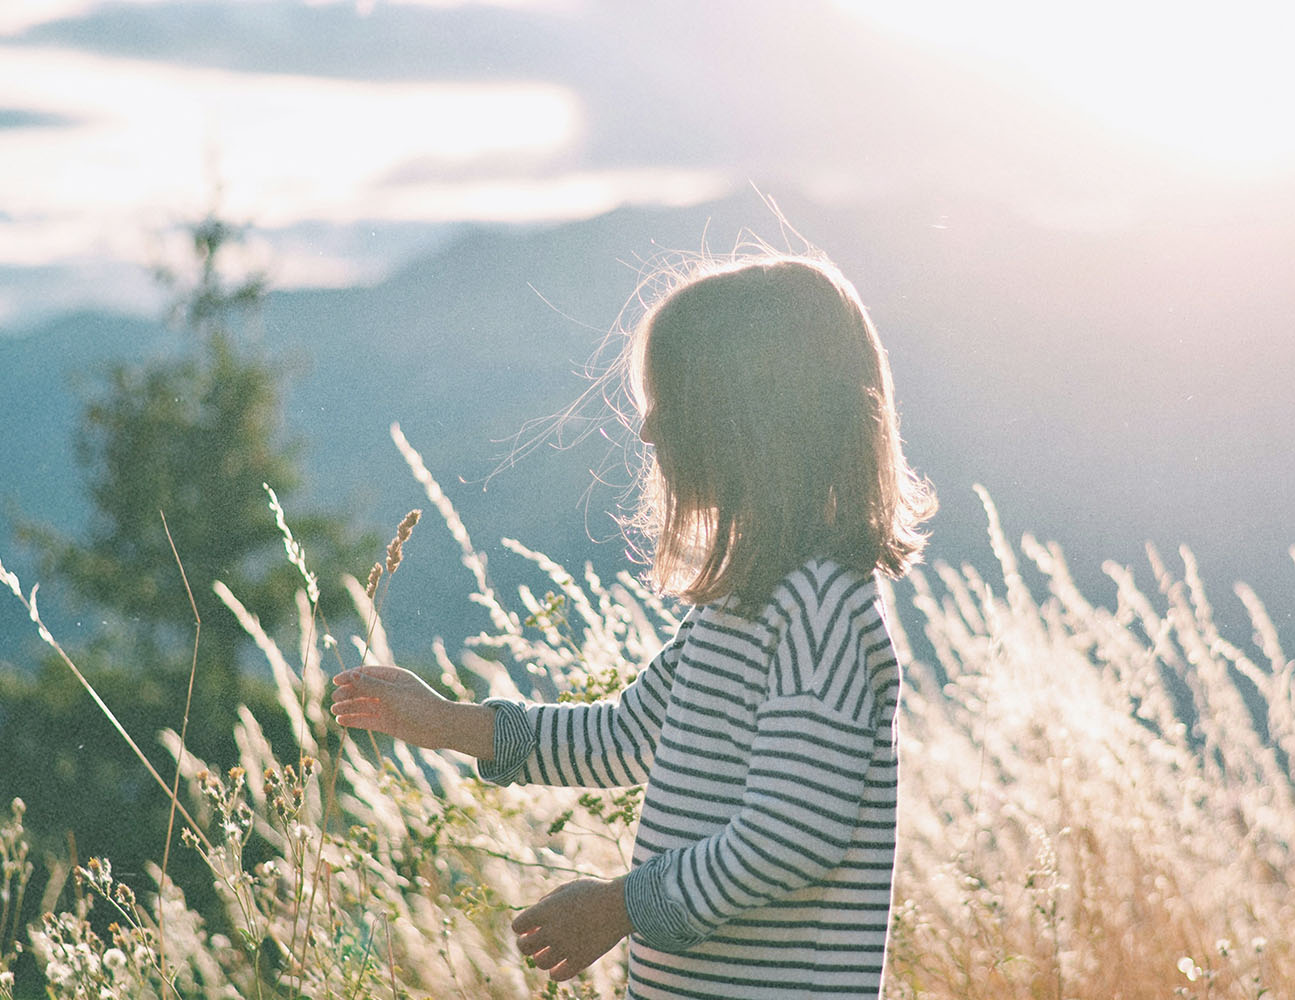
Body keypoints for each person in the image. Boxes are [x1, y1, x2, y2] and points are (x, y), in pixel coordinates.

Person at [331, 252, 935, 999]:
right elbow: (626, 735)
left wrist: (619, 906)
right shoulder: (739, 604)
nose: (647, 430)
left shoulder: (820, 611)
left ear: (752, 418)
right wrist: (450, 724)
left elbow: (789, 838)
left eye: (671, 402)